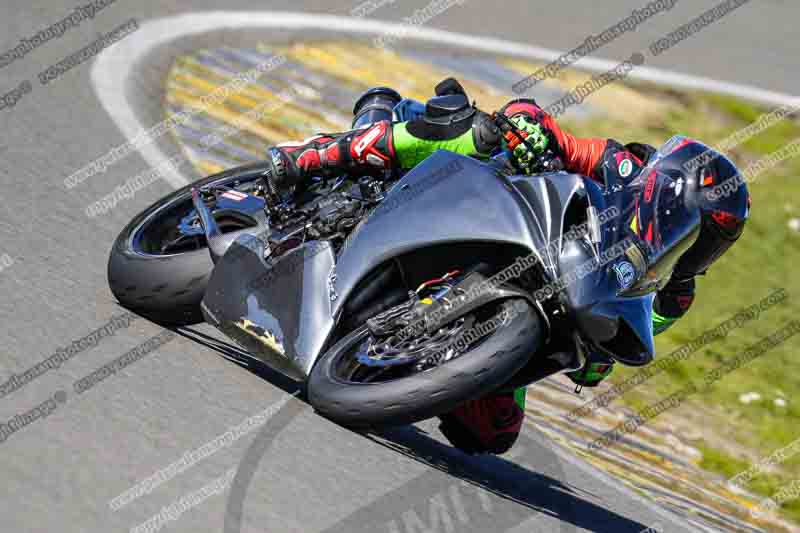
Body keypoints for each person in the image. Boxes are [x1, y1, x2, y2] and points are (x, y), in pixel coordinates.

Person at [260, 78, 750, 454]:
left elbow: (601, 361)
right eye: (694, 228)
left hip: (529, 297)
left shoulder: (670, 294)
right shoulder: (621, 168)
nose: (695, 247)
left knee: (491, 434)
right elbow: (536, 119)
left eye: (708, 242)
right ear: (666, 193)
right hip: (482, 202)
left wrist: (600, 350)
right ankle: (319, 154)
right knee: (479, 133)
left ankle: (397, 342)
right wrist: (531, 130)